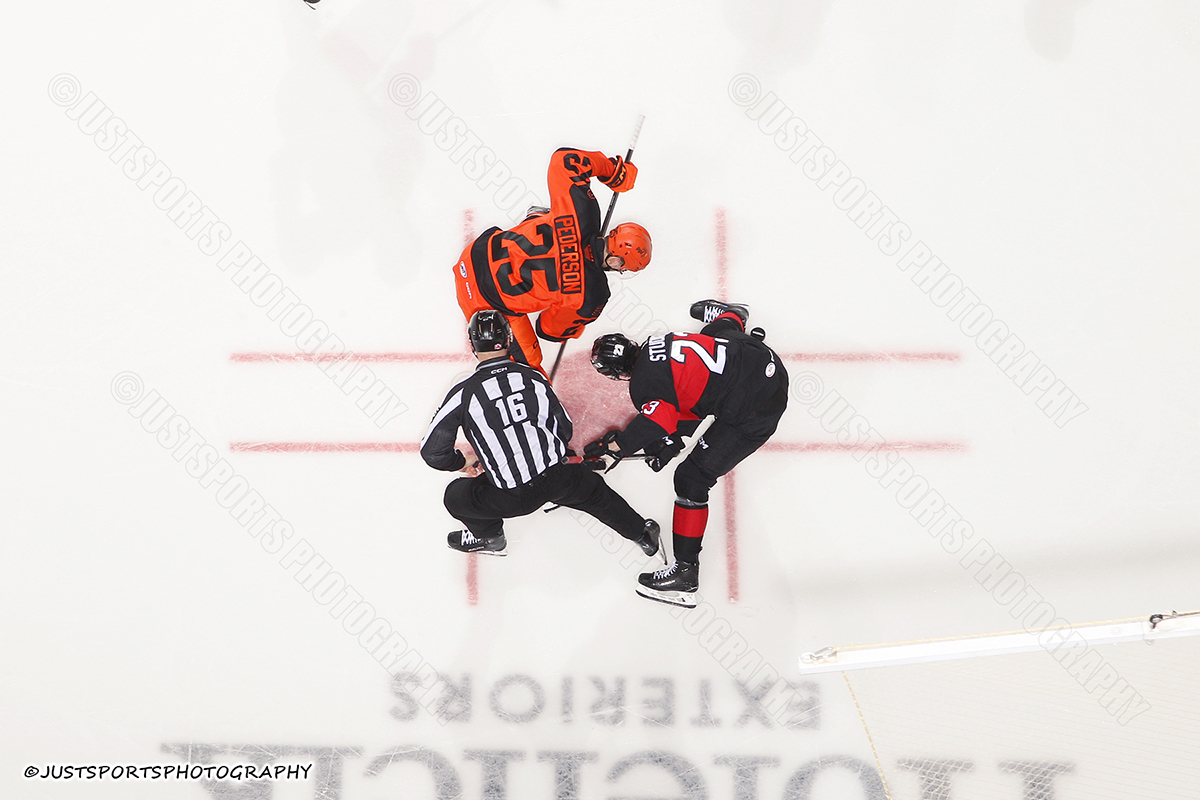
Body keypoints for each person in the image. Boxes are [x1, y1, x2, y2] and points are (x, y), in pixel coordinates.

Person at [586, 300, 789, 607]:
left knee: (691, 479)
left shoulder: (642, 386)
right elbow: (691, 393)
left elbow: (657, 420)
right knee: (715, 336)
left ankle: (685, 573)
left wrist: (617, 448)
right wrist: (670, 442)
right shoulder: (660, 341)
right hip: (763, 361)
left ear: (616, 374)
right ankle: (732, 316)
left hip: (758, 408)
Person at [421, 309, 662, 562]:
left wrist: (462, 462)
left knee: (455, 496)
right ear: (509, 338)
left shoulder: (463, 393)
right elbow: (564, 428)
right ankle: (642, 534)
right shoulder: (532, 377)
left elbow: (433, 453)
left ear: (472, 344)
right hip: (560, 476)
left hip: (514, 498)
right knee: (596, 495)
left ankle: (491, 538)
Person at [452, 147, 652, 375]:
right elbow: (547, 330)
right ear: (616, 261)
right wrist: (574, 321)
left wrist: (611, 171)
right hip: (482, 302)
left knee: (550, 215)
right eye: (624, 268)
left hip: (475, 252)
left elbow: (564, 160)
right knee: (529, 368)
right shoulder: (594, 294)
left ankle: (539, 221)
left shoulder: (585, 211)